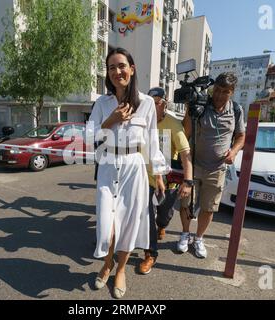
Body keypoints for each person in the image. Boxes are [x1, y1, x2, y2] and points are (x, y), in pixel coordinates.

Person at [88, 48, 168, 299]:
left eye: (121, 65)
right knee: (107, 226)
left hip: (134, 167)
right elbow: (89, 138)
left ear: (132, 69)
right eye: (111, 67)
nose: (117, 71)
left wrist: (159, 174)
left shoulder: (146, 104)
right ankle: (106, 263)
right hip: (109, 164)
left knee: (129, 225)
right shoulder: (102, 103)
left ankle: (119, 269)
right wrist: (110, 119)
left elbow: (152, 141)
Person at [179, 72, 245, 258]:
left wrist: (234, 151)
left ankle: (198, 238)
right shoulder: (201, 105)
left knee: (209, 208)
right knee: (186, 203)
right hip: (195, 165)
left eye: (224, 91)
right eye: (216, 89)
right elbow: (187, 133)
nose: (218, 95)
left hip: (217, 169)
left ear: (231, 92)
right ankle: (185, 233)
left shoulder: (237, 110)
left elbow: (241, 137)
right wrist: (188, 110)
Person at [138, 87, 193, 275]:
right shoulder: (142, 124)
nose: (153, 108)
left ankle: (162, 225)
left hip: (168, 183)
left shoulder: (173, 124)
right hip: (146, 180)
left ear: (165, 104)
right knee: (147, 217)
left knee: (164, 216)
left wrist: (188, 181)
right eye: (149, 103)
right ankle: (150, 254)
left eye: (157, 103)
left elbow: (186, 155)